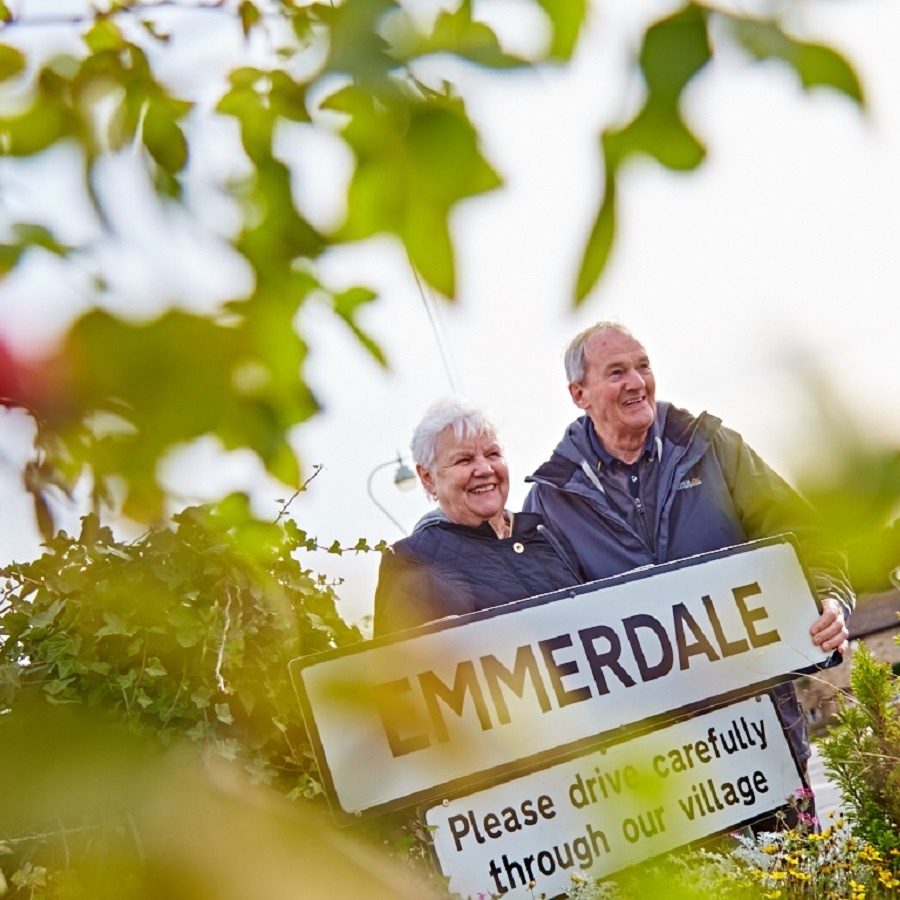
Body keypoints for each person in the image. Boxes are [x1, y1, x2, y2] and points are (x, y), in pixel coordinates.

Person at [523, 321, 854, 826]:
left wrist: (828, 598)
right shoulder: (551, 499)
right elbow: (544, 635)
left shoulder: (713, 447)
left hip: (760, 732)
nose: (637, 382)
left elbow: (807, 535)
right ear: (579, 394)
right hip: (652, 768)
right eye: (616, 372)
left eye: (643, 365)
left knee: (799, 874)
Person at [373, 399, 583, 637]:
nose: (485, 469)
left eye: (493, 454)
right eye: (464, 460)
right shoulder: (410, 560)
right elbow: (399, 668)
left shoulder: (546, 539)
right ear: (427, 478)